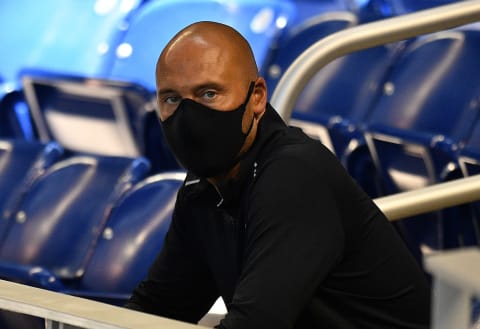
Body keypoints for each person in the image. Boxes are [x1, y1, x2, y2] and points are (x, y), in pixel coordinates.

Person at [125, 21, 431, 329]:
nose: (188, 118)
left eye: (209, 94)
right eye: (172, 99)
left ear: (257, 96)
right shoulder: (203, 187)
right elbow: (159, 306)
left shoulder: (294, 175)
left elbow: (256, 323)